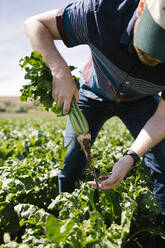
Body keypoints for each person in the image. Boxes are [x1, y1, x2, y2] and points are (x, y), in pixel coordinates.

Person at [24, 0, 165, 237]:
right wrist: (59, 72)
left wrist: (129, 158)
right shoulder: (101, 12)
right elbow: (34, 24)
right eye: (153, 41)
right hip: (93, 95)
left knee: (163, 161)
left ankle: (160, 231)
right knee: (71, 161)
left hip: (142, 102)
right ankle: (64, 219)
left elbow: (162, 118)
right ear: (141, 9)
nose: (156, 58)